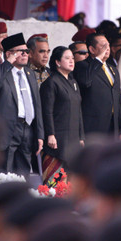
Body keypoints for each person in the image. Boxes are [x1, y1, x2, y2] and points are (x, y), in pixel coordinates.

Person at [0, 33, 44, 174]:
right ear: (9, 54)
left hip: (28, 128)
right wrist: (7, 64)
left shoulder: (29, 73)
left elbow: (37, 105)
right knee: (5, 171)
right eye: (21, 51)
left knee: (24, 171)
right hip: (8, 129)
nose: (25, 54)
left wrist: (40, 134)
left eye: (27, 51)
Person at [40, 46, 84, 182]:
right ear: (58, 62)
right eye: (67, 58)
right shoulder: (51, 83)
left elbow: (79, 111)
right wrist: (50, 134)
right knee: (55, 182)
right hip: (58, 137)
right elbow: (47, 111)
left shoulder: (73, 82)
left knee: (72, 180)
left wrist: (81, 136)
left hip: (73, 137)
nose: (72, 61)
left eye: (72, 58)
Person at [73, 33, 121, 140]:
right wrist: (98, 60)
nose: (107, 48)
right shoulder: (82, 66)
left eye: (108, 45)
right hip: (93, 127)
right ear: (92, 49)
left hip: (113, 126)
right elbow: (86, 82)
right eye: (103, 46)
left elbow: (117, 99)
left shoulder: (113, 69)